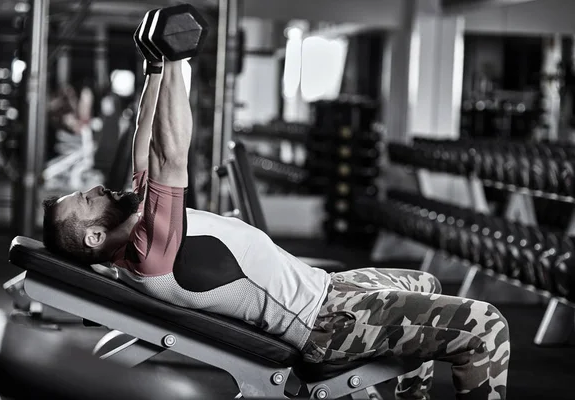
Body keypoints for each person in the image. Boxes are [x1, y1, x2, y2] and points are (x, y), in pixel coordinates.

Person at [41, 25, 510, 400]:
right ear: (93, 239)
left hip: (330, 289)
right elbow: (171, 154)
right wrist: (180, 58)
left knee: (425, 283)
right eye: (86, 200)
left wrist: (156, 67)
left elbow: (145, 137)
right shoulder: (150, 249)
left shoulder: (137, 217)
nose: (95, 189)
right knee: (486, 325)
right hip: (327, 322)